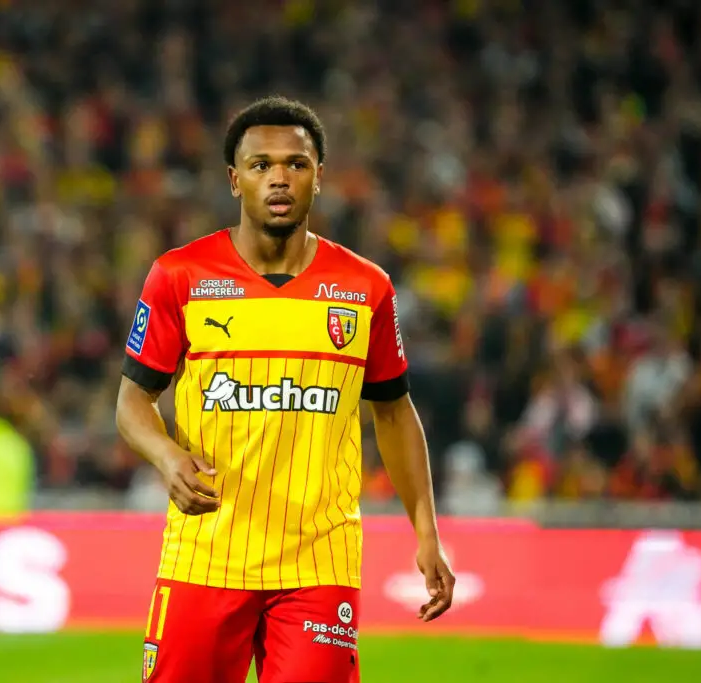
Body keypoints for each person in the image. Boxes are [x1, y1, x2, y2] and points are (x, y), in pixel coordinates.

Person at [116, 96, 454, 683]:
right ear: (235, 180)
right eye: (261, 165)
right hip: (205, 555)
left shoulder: (365, 288)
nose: (279, 177)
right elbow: (131, 402)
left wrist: (426, 531)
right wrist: (167, 456)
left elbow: (395, 414)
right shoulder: (179, 276)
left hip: (318, 563)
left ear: (318, 177)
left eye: (296, 164)